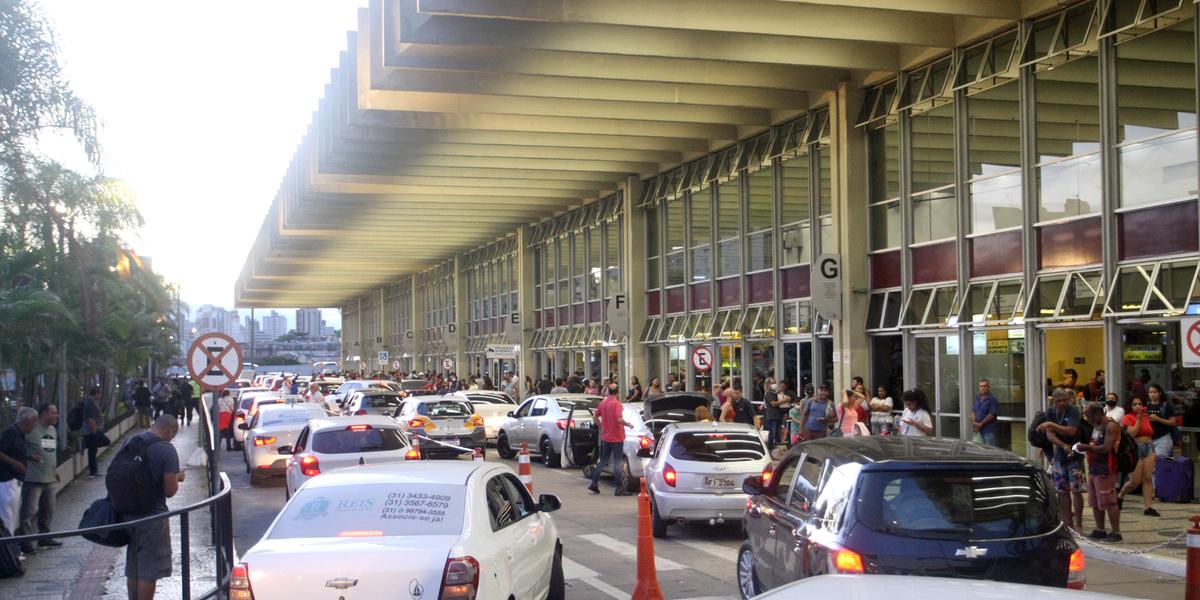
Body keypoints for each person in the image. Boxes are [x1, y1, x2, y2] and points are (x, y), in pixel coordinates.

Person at [120, 415, 184, 600]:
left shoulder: (130, 442)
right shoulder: (166, 449)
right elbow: (169, 490)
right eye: (173, 434)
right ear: (170, 430)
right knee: (150, 569)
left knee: (134, 566)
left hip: (127, 513)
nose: (172, 438)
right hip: (152, 516)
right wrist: (176, 477)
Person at [1038, 388, 1085, 532]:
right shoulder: (1050, 412)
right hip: (1059, 455)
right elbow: (1049, 435)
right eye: (1059, 401)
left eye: (1065, 399)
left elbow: (1072, 430)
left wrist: (1051, 425)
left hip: (1075, 455)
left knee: (1076, 489)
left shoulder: (1073, 410)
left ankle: (1078, 523)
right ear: (1054, 401)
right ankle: (1068, 523)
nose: (1063, 403)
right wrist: (1062, 445)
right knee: (1062, 490)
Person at [1075, 402, 1122, 542]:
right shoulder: (1096, 426)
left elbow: (1107, 447)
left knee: (1109, 501)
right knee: (1095, 501)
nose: (1088, 419)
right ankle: (1100, 529)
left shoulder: (1110, 426)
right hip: (1094, 467)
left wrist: (1087, 448)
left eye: (1089, 416)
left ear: (1098, 413)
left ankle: (1116, 532)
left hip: (1106, 468)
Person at [18, 403, 61, 553]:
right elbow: (18, 448)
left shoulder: (53, 430)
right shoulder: (31, 430)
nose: (57, 416)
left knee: (48, 509)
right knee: (29, 511)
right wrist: (28, 457)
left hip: (49, 477)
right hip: (33, 477)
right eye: (53, 413)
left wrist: (54, 471)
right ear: (43, 414)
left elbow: (50, 452)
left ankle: (44, 537)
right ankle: (26, 541)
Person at [1118, 397, 1160, 517]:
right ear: (1130, 406)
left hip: (1148, 448)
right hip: (1134, 448)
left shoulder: (1147, 416)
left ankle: (1148, 507)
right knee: (1134, 481)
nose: (1137, 406)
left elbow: (1150, 433)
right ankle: (1120, 495)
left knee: (1147, 478)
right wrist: (1138, 420)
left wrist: (1153, 449)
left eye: (1140, 403)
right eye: (1134, 404)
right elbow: (1132, 433)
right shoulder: (1127, 417)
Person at [0, 408, 36, 545]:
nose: (33, 427)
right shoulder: (10, 433)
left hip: (16, 480)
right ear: (27, 421)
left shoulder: (19, 434)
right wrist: (14, 463)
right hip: (7, 480)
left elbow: (14, 451)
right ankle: (8, 550)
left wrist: (28, 457)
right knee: (7, 516)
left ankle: (11, 547)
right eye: (33, 423)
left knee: (13, 516)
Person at [588, 385, 632, 496]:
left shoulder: (603, 403)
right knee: (618, 463)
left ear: (608, 392)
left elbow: (595, 416)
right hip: (616, 437)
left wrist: (601, 426)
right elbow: (619, 419)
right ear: (618, 392)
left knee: (602, 461)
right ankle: (619, 488)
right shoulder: (616, 404)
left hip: (606, 437)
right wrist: (628, 424)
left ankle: (594, 483)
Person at [1144, 383, 1175, 458]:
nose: (1152, 394)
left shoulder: (1165, 405)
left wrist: (1158, 419)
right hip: (1148, 439)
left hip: (1163, 438)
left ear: (1160, 393)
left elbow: (1173, 422)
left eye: (1154, 392)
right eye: (1150, 392)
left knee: (1160, 460)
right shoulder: (1146, 406)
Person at [82, 387, 103, 477]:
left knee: (93, 450)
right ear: (96, 394)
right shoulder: (90, 403)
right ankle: (93, 471)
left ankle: (94, 469)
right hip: (89, 431)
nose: (100, 396)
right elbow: (91, 419)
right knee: (92, 450)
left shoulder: (91, 402)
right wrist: (94, 431)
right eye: (99, 394)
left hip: (91, 430)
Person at [972, 379, 1000, 446]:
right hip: (977, 431)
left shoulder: (992, 399)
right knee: (978, 450)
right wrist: (974, 422)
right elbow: (973, 411)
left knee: (990, 451)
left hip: (988, 431)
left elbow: (991, 415)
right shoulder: (978, 398)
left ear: (988, 387)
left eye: (985, 386)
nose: (982, 388)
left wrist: (980, 424)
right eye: (981, 386)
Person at [763, 380, 785, 449]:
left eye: (775, 383)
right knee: (772, 434)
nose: (774, 384)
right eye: (772, 383)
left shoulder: (774, 393)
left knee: (777, 434)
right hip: (772, 417)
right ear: (768, 384)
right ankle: (769, 449)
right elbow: (773, 403)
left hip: (777, 416)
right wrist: (784, 400)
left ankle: (776, 449)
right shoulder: (768, 393)